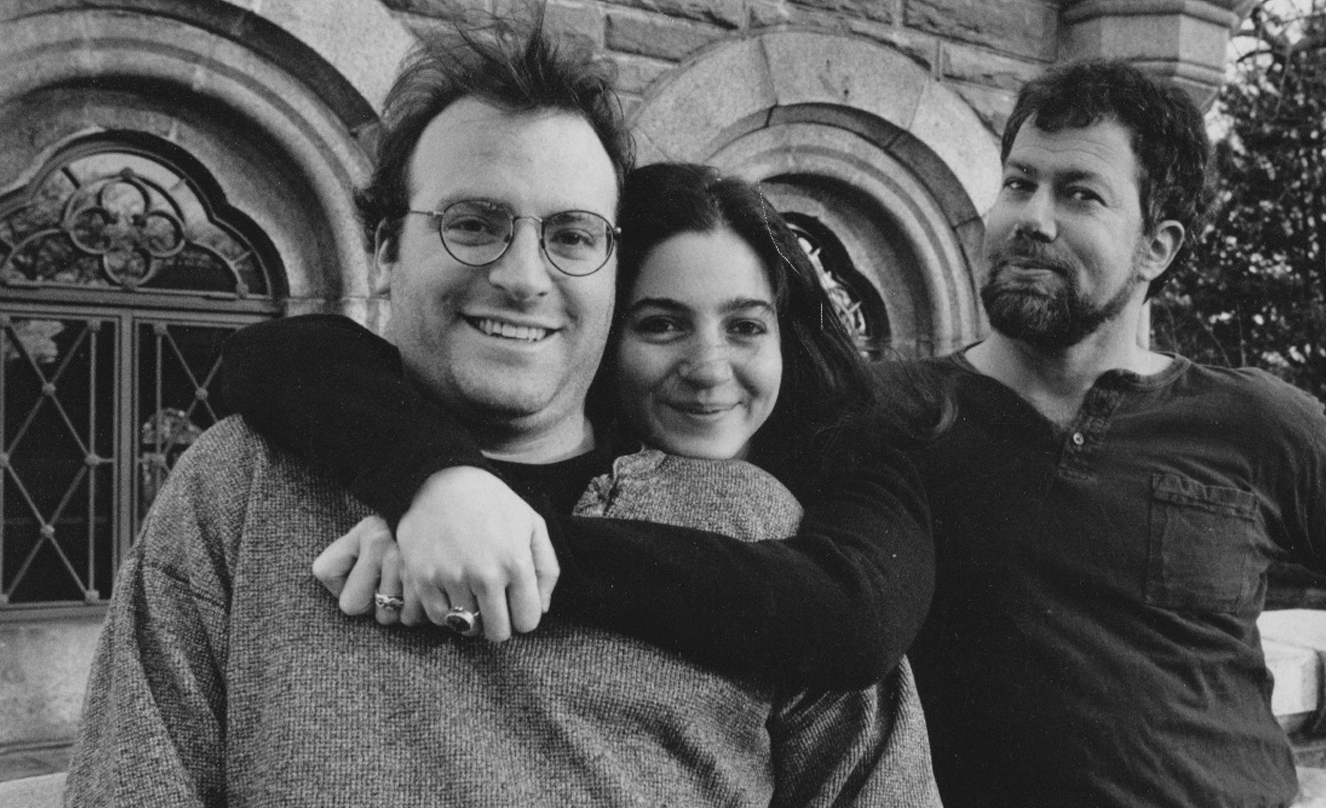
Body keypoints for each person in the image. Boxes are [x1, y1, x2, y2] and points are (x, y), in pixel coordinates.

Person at [219, 60, 1326, 808]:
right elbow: (285, 356)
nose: (1029, 216)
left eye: (1078, 193)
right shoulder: (911, 410)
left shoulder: (1254, 420)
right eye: (1018, 181)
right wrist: (435, 476)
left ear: (1160, 247)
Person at [65, 20, 939, 806]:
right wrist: (435, 480)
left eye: (571, 236)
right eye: (475, 224)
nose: (523, 277)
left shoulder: (764, 526)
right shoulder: (240, 493)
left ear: (611, 266)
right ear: (386, 247)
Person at [311, 160, 941, 805]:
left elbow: (856, 618)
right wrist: (436, 483)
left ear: (789, 337)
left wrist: (498, 548)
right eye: (661, 324)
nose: (708, 368)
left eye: (746, 327)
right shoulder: (558, 449)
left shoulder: (852, 456)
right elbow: (291, 351)